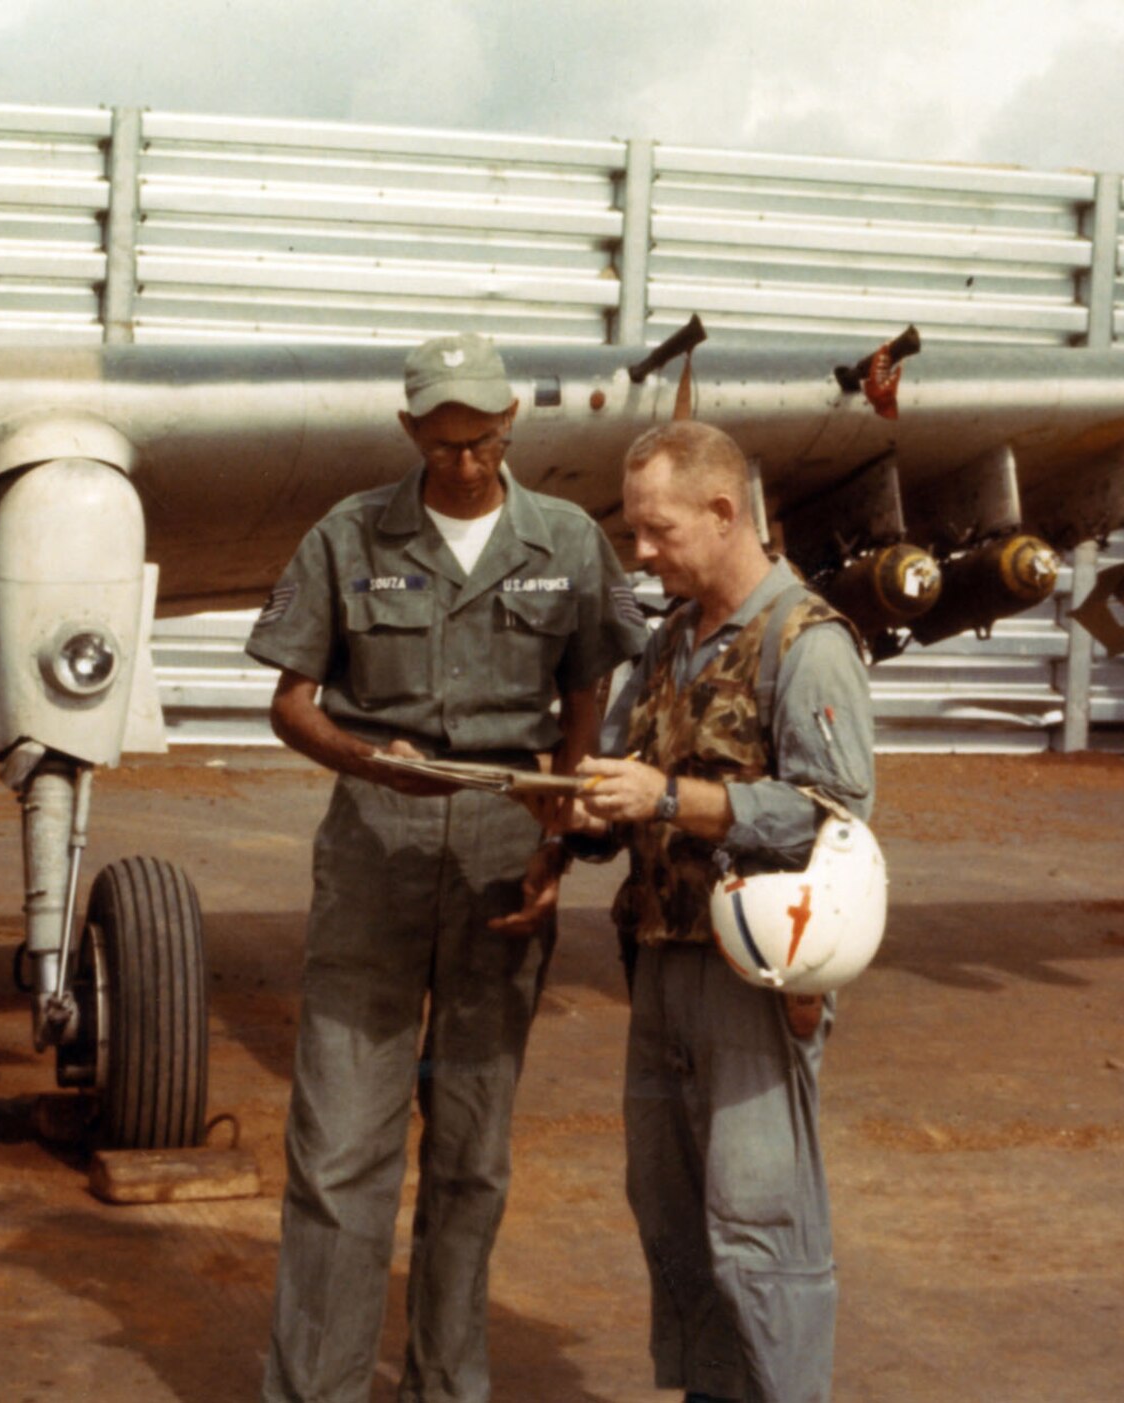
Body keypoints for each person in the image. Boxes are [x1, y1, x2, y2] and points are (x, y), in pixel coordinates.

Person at [244, 331, 647, 1403]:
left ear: (512, 425)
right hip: (375, 848)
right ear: (410, 429)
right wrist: (369, 758)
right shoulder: (347, 534)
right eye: (445, 441)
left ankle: (444, 1385)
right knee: (337, 1152)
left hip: (504, 853)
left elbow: (585, 694)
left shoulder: (562, 538)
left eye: (485, 439)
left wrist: (554, 844)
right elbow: (288, 702)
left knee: (470, 1154)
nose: (465, 461)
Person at [564, 420, 875, 1403]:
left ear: (721, 512)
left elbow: (832, 818)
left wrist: (668, 799)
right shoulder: (666, 642)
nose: (640, 550)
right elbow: (621, 780)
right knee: (672, 1216)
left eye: (656, 530)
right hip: (660, 968)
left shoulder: (806, 641)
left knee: (758, 1227)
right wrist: (580, 810)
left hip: (754, 977)